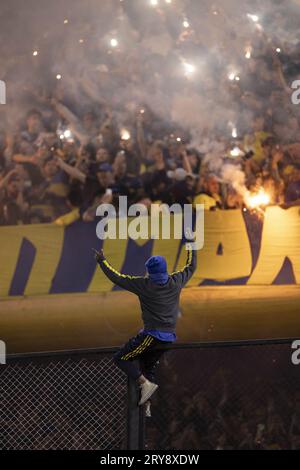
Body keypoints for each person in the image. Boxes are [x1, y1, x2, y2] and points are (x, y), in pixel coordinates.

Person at [93, 237, 197, 406]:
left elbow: (117, 278)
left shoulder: (144, 284)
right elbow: (191, 266)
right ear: (165, 270)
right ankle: (146, 405)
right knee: (147, 367)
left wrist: (102, 262)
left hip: (152, 336)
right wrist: (191, 243)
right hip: (169, 338)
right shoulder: (176, 281)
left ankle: (145, 384)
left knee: (121, 358)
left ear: (149, 272)